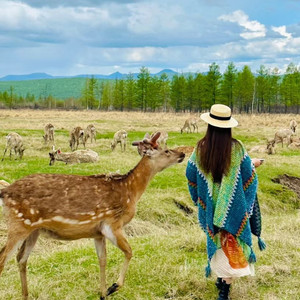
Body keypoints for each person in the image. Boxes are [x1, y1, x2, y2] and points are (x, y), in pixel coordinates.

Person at [186, 104, 266, 300]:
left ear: (209, 125)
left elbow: (190, 175)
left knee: (219, 241)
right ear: (228, 126)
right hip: (233, 210)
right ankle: (224, 291)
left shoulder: (200, 148)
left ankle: (222, 281)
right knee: (231, 244)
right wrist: (245, 206)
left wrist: (199, 200)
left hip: (211, 210)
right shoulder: (237, 148)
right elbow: (250, 178)